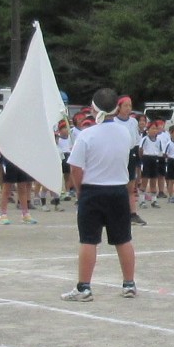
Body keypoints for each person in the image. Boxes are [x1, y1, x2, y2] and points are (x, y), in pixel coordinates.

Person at [63, 87, 140, 302]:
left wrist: (80, 189)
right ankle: (129, 283)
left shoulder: (87, 134)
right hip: (118, 190)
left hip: (93, 190)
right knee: (123, 239)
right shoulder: (125, 132)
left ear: (93, 108)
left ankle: (84, 287)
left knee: (88, 240)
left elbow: (75, 169)